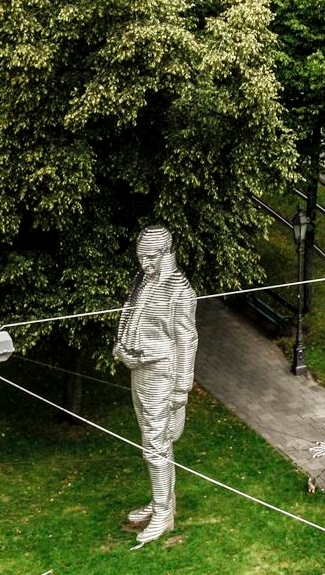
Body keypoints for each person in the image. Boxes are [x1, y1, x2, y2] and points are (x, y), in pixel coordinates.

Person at [116, 226, 199, 545]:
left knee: (156, 444)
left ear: (166, 254)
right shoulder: (144, 282)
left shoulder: (180, 290)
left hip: (161, 374)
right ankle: (160, 500)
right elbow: (135, 319)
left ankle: (164, 511)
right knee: (152, 441)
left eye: (150, 258)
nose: (144, 264)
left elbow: (187, 339)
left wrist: (182, 390)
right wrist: (124, 347)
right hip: (140, 369)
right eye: (141, 258)